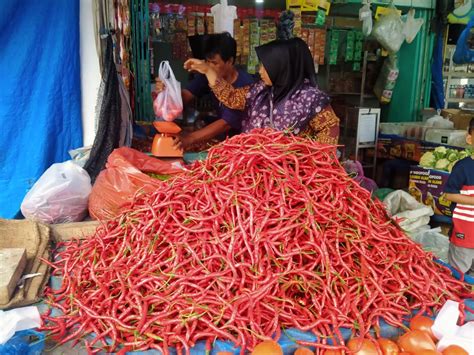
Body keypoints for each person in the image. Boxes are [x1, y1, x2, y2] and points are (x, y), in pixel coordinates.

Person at [183, 37, 339, 145]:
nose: (260, 71)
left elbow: (327, 143)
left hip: (292, 180)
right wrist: (208, 71)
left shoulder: (312, 100)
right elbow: (231, 97)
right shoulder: (261, 90)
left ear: (282, 68)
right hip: (256, 174)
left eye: (265, 66)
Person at [155, 32, 254, 151]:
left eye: (214, 63)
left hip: (244, 143)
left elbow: (226, 122)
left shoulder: (245, 83)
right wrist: (169, 93)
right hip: (221, 140)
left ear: (230, 61)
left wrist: (190, 138)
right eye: (207, 62)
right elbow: (185, 97)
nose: (209, 67)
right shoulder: (206, 76)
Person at [443, 118, 474, 276]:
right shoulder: (463, 167)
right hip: (464, 232)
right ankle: (453, 300)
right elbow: (449, 194)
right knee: (457, 275)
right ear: (470, 138)